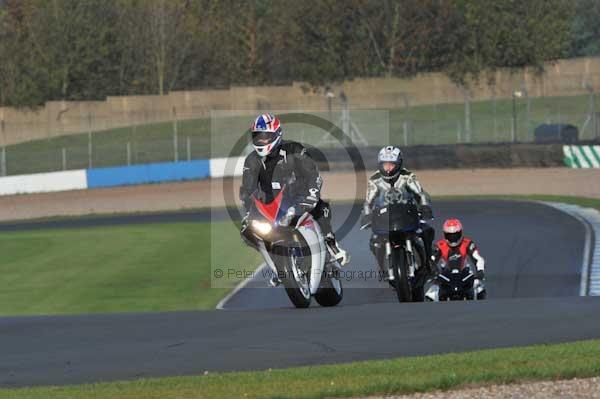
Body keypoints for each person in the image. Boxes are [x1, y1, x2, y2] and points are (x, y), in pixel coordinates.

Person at [239, 113, 349, 286]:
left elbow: (313, 174)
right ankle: (278, 267)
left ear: (276, 134)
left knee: (320, 206)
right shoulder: (252, 160)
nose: (261, 140)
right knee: (247, 231)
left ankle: (331, 243)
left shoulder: (294, 149)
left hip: (299, 196)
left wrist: (311, 195)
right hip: (272, 206)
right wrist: (248, 212)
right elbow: (247, 190)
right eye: (257, 136)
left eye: (265, 136)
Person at [360, 145, 436, 281]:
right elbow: (368, 201)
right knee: (374, 240)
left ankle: (429, 261)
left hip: (407, 214)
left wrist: (424, 207)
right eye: (385, 165)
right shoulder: (374, 180)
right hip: (385, 217)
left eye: (391, 164)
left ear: (399, 164)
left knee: (427, 231)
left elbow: (420, 193)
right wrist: (367, 215)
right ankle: (382, 267)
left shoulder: (408, 176)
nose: (388, 168)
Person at [432, 218, 486, 288]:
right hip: (444, 277)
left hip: (465, 275)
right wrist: (432, 273)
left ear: (460, 233)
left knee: (479, 287)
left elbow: (478, 258)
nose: (453, 238)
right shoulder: (440, 245)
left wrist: (480, 271)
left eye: (455, 235)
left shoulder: (467, 243)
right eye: (450, 235)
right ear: (445, 234)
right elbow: (431, 261)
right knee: (431, 294)